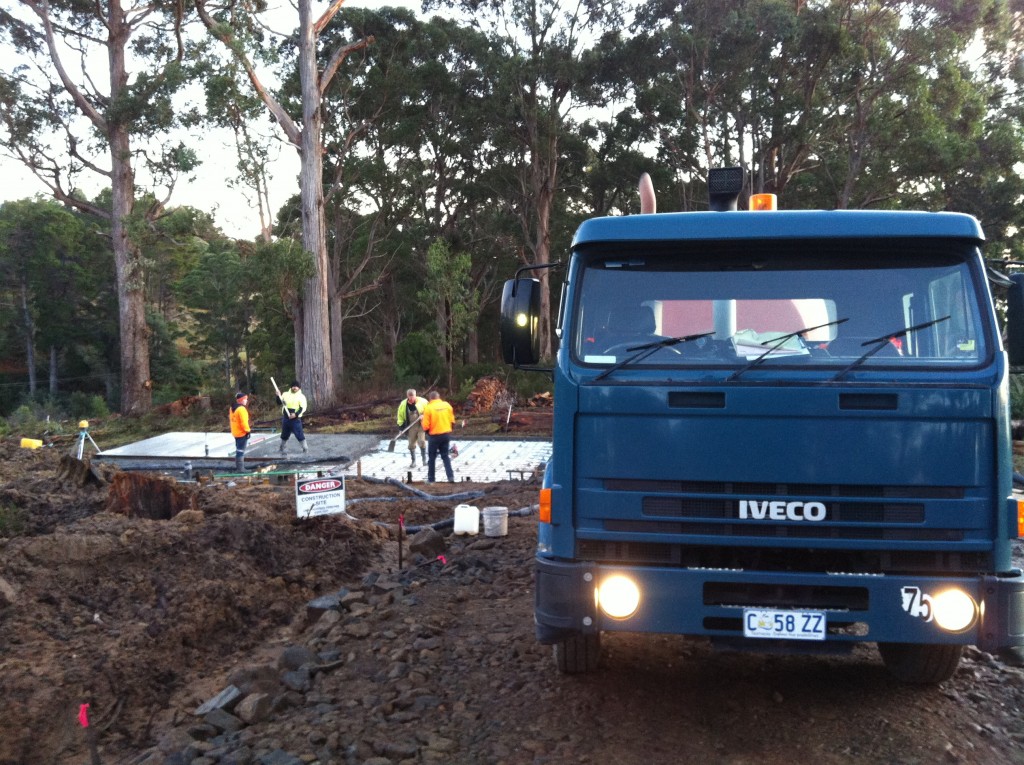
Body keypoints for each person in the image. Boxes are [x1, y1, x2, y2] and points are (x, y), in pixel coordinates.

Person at [420, 390, 455, 483]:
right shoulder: (447, 405)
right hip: (446, 434)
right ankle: (450, 477)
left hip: (434, 436)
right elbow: (452, 421)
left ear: (430, 399)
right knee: (445, 456)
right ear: (439, 397)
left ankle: (431, 479)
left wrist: (427, 431)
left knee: (432, 458)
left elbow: (425, 426)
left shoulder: (428, 408)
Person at [396, 388, 427, 467]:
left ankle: (424, 460)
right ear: (407, 396)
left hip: (420, 425)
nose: (412, 400)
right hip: (410, 427)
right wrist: (400, 428)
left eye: (413, 398)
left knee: (422, 442)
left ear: (415, 395)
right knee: (411, 444)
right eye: (410, 398)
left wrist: (424, 415)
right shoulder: (403, 405)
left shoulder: (422, 401)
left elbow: (430, 411)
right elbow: (400, 417)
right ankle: (413, 462)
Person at [277, 380, 308, 454]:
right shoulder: (285, 394)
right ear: (291, 387)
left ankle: (305, 448)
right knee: (284, 434)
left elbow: (303, 408)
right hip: (286, 419)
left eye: (296, 386)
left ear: (299, 388)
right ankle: (282, 447)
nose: (295, 388)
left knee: (299, 434)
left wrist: (295, 414)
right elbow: (279, 402)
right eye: (293, 386)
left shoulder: (301, 397)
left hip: (295, 420)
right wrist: (278, 395)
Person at [229, 392, 251, 472]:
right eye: (245, 399)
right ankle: (241, 469)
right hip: (242, 433)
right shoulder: (242, 409)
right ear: (241, 400)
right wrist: (248, 431)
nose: (246, 400)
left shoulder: (232, 408)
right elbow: (243, 422)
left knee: (238, 449)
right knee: (241, 450)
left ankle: (238, 467)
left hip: (235, 432)